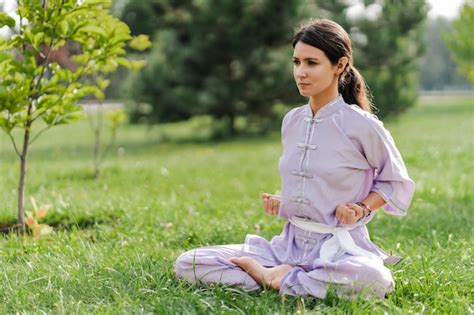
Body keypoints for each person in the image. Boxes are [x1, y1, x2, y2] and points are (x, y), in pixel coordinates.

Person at [175, 19, 415, 298]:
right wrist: (285, 203)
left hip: (337, 248)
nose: (301, 72)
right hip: (285, 247)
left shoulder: (362, 125)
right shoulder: (292, 120)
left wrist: (361, 209)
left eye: (312, 63)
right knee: (189, 263)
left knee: (373, 280)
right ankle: (291, 280)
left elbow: (394, 182)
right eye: (296, 62)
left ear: (340, 65)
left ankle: (275, 279)